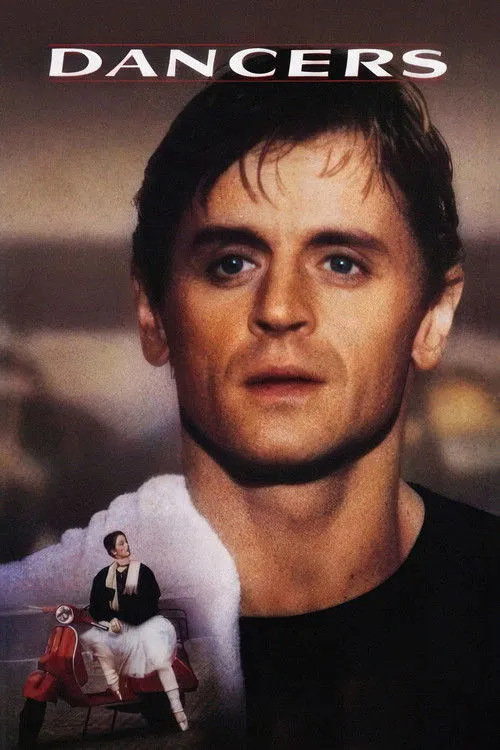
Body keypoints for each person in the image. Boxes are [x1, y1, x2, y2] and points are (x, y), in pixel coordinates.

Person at [1, 50, 497, 748]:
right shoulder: (22, 636)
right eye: (231, 264)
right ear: (153, 314)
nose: (281, 309)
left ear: (433, 316)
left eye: (342, 263)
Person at [80, 530, 188, 731]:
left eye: (126, 542)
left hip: (146, 624)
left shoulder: (143, 571)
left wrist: (126, 620)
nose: (126, 546)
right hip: (119, 630)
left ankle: (176, 708)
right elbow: (96, 607)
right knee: (99, 642)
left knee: (158, 659)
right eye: (121, 543)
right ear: (113, 551)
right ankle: (116, 689)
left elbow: (151, 601)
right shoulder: (102, 577)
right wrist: (111, 619)